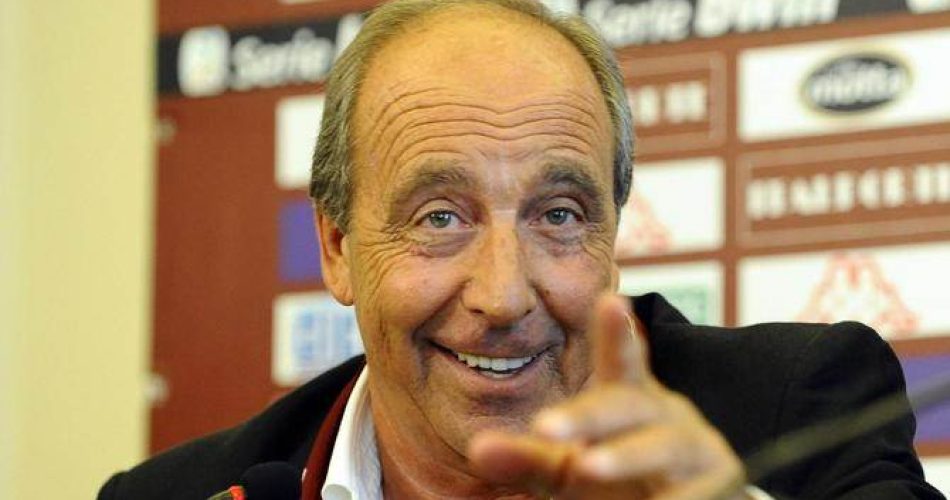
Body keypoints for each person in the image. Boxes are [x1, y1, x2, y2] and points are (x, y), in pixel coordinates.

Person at [99, 0, 943, 498]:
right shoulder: (180, 494)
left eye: (559, 215)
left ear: (613, 234)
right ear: (337, 246)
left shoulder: (800, 409)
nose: (503, 296)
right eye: (440, 218)